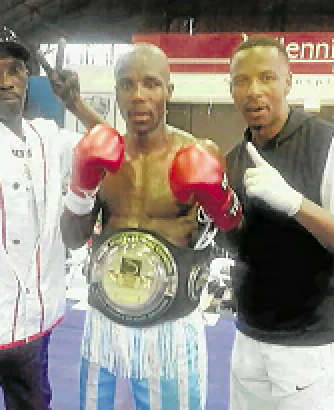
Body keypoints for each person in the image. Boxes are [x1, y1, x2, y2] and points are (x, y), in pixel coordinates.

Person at [60, 43, 242, 409]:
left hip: (170, 330)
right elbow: (73, 239)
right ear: (116, 92)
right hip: (104, 323)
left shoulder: (198, 154)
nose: (138, 96)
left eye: (151, 84)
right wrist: (79, 188)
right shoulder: (102, 156)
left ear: (168, 91)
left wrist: (221, 204)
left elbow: (234, 237)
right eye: (127, 85)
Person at [0, 26, 104, 409]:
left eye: (14, 70)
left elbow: (110, 147)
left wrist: (75, 103)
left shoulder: (49, 137)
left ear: (27, 80)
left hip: (34, 323)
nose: (4, 81)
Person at [226, 36, 334, 409]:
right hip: (247, 338)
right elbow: (240, 245)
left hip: (307, 347)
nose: (254, 91)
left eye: (266, 78)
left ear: (288, 81)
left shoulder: (330, 143)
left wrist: (296, 204)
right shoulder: (235, 158)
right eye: (241, 81)